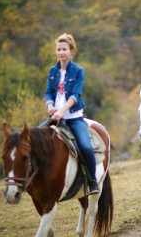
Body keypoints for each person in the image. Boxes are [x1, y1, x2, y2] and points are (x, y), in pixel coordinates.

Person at [44, 33, 99, 194]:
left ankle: (92, 180)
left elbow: (75, 95)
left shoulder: (77, 70)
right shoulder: (52, 71)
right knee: (32, 140)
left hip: (73, 118)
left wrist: (61, 111)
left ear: (71, 50)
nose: (61, 52)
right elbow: (48, 92)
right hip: (55, 117)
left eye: (64, 49)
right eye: (58, 49)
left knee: (86, 147)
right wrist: (50, 105)